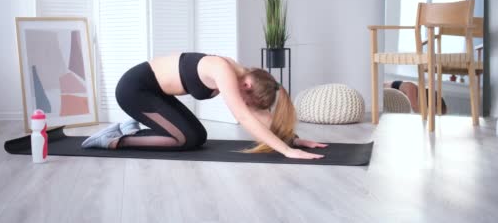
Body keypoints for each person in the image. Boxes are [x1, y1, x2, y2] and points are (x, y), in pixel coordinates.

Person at [81, 52, 327, 159]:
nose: (248, 104)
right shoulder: (224, 70)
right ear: (249, 86)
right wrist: (286, 152)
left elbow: (257, 113)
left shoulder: (243, 76)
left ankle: (127, 128)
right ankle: (113, 140)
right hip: (133, 90)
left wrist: (292, 139)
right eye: (250, 100)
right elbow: (246, 117)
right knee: (182, 140)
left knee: (197, 137)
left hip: (154, 93)